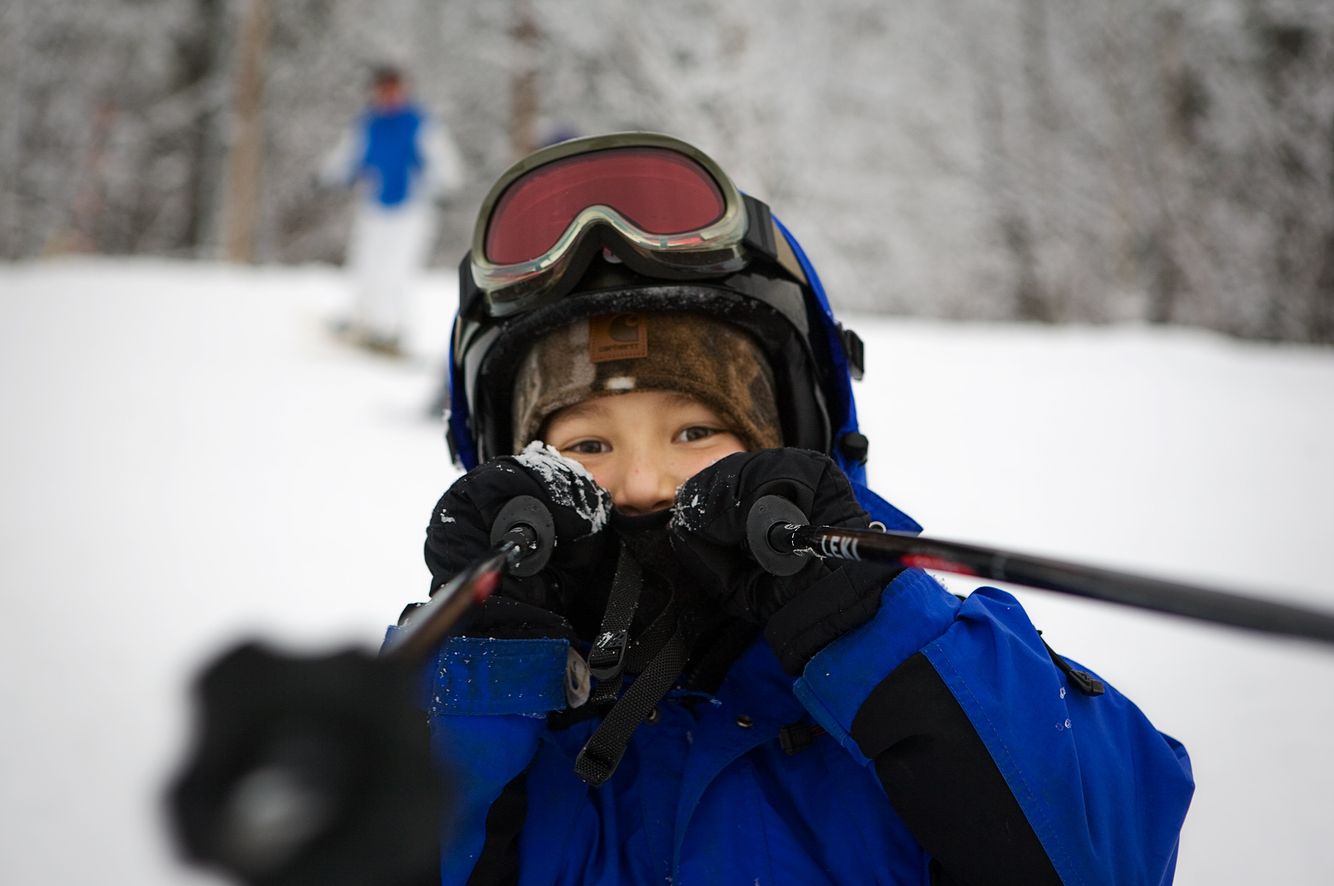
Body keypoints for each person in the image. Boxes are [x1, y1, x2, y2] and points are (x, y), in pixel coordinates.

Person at [400, 132, 1193, 884]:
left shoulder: (927, 654)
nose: (643, 483)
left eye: (696, 431)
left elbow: (1111, 849)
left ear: (797, 441)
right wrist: (481, 678)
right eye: (586, 448)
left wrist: (871, 630)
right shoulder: (461, 695)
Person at [320, 65, 463, 356]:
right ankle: (361, 321)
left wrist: (446, 185)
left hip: (411, 207)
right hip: (374, 203)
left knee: (398, 269)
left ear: (403, 90)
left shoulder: (418, 122)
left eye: (394, 90)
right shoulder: (369, 123)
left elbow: (442, 158)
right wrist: (327, 177)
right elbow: (348, 157)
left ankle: (392, 330)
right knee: (365, 262)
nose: (389, 96)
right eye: (384, 90)